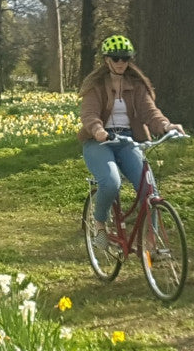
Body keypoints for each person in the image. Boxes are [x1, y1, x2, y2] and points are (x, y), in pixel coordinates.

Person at [77, 35, 185, 249]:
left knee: (149, 189)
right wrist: (98, 129)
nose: (120, 63)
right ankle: (99, 223)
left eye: (125, 58)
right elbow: (89, 114)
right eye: (116, 58)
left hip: (127, 140)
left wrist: (166, 126)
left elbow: (150, 112)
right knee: (111, 182)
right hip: (99, 142)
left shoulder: (136, 85)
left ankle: (150, 243)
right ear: (106, 60)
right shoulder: (96, 85)